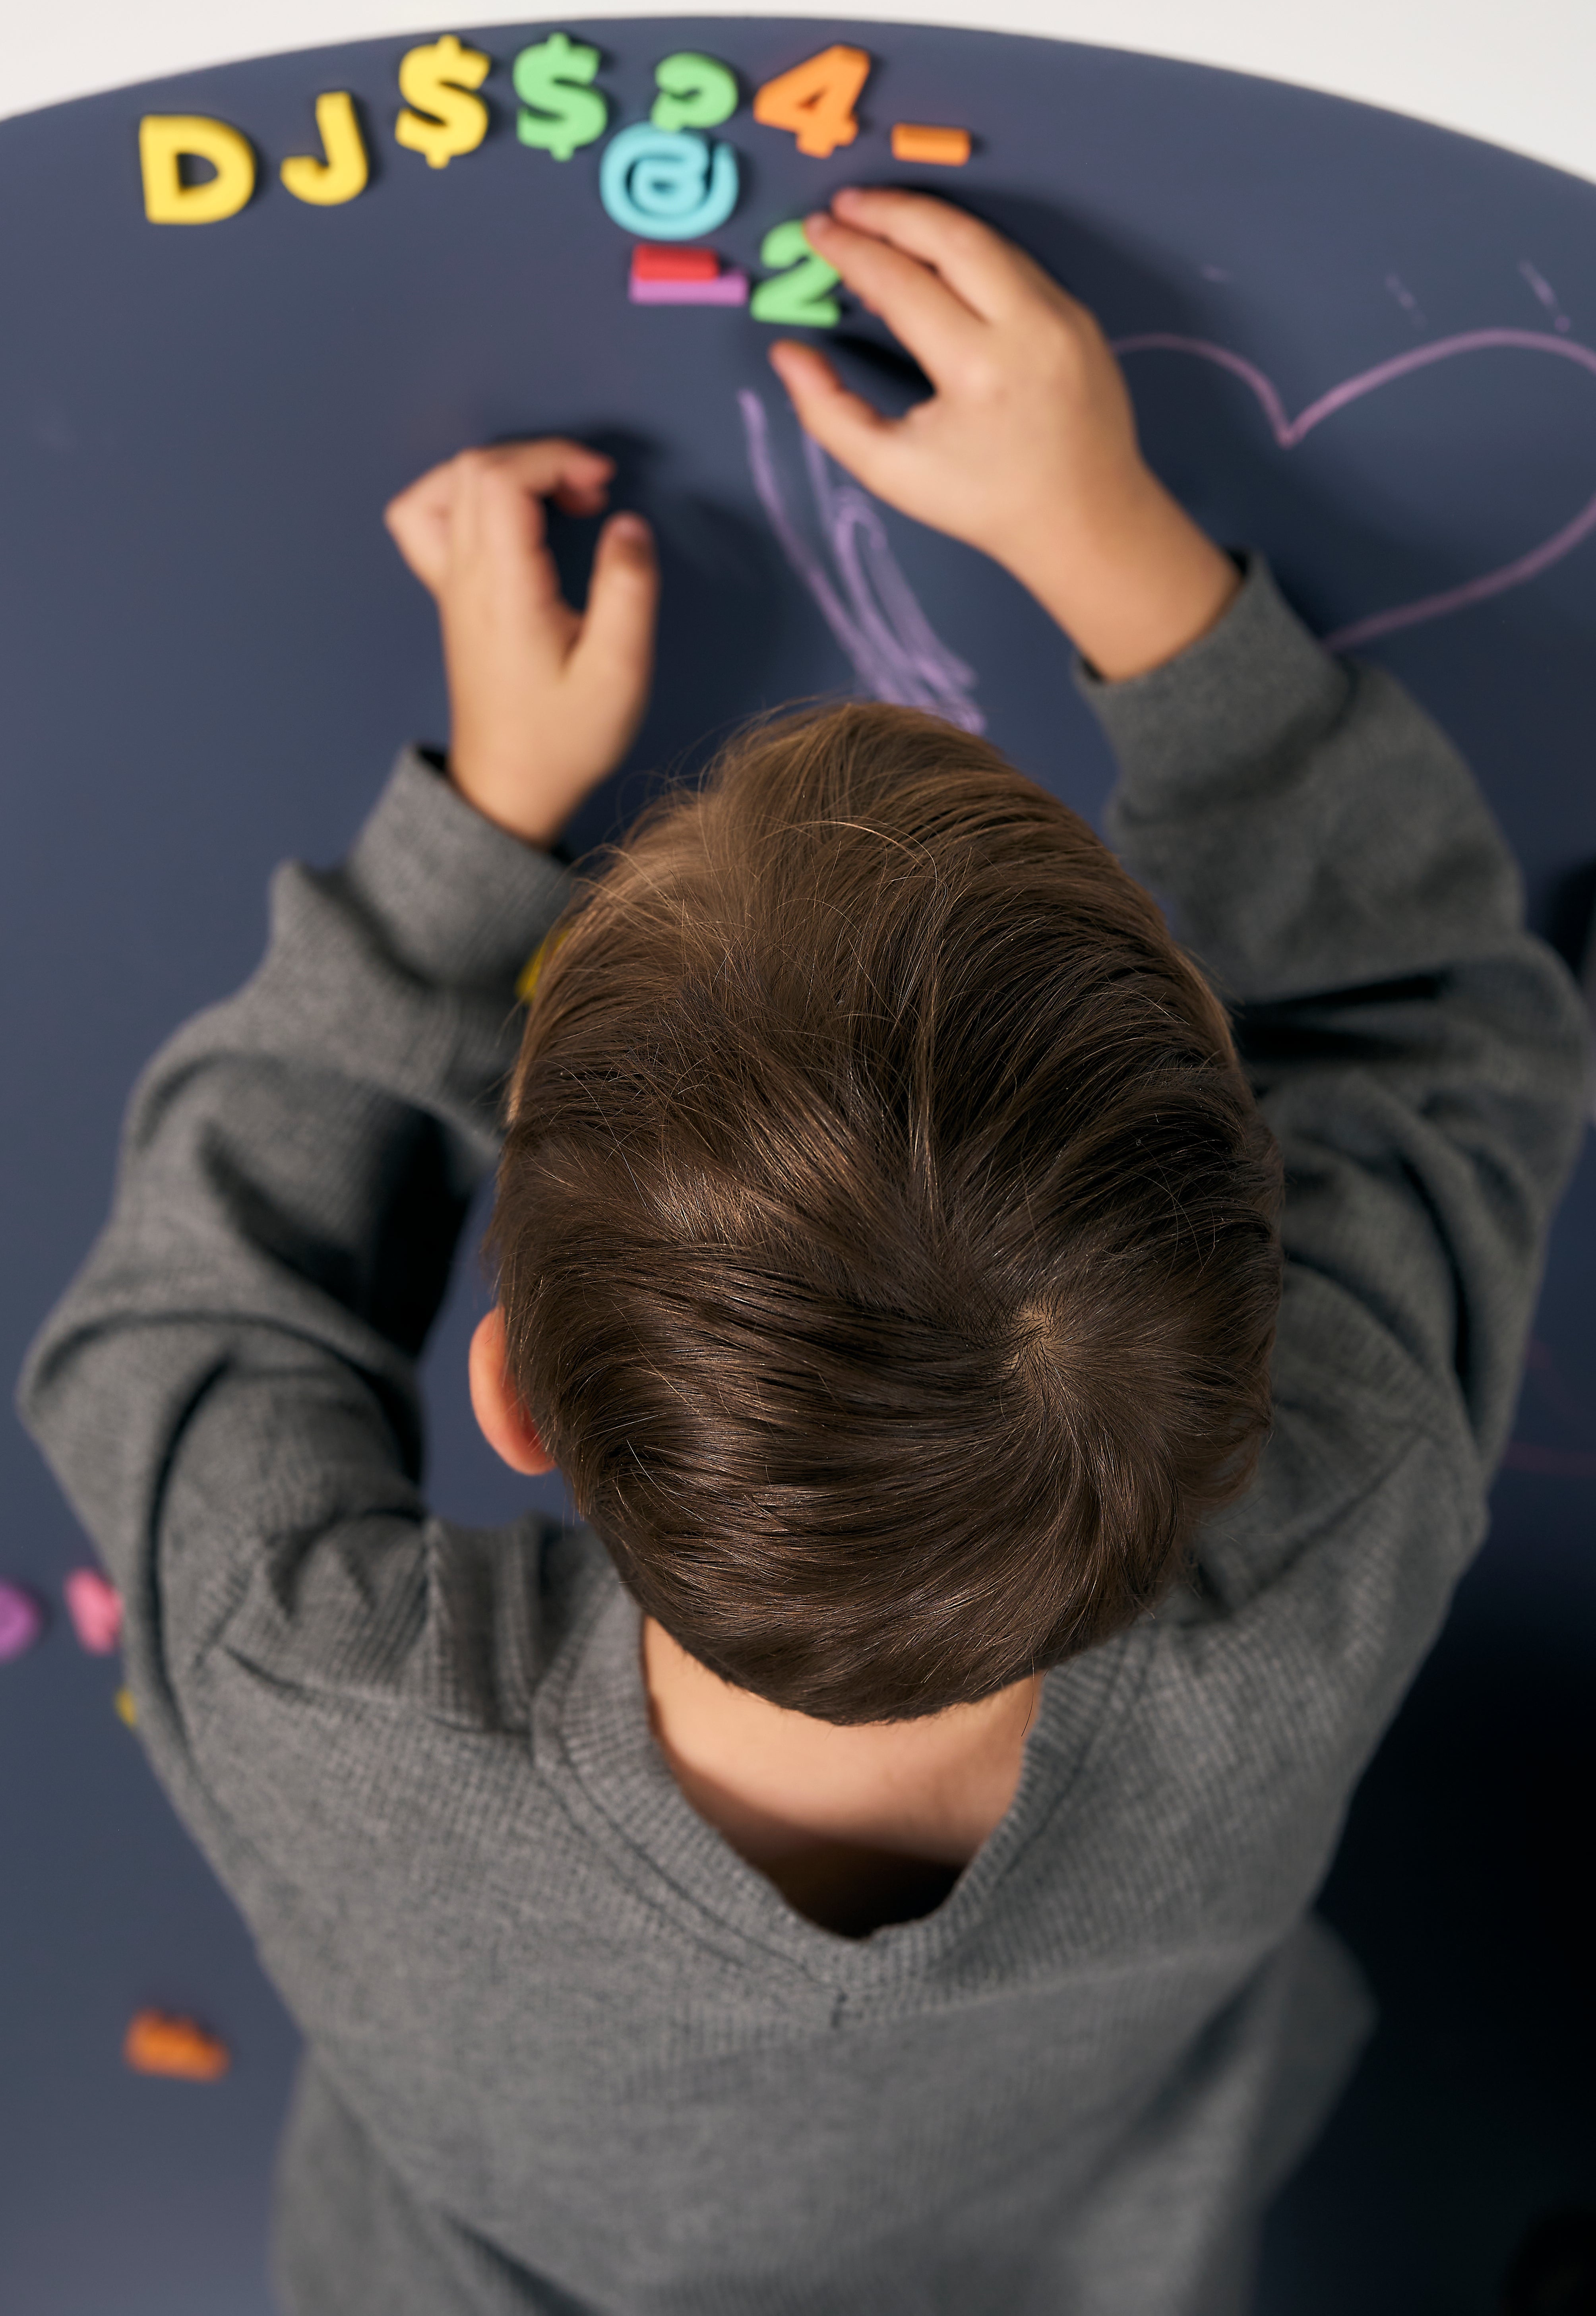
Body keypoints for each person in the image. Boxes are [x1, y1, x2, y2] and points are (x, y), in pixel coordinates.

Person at [19, 190, 1588, 2316]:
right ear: (1250, 1344)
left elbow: (188, 1329)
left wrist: (473, 844)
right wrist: (1123, 555)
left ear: (515, 1396)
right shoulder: (1330, 1552)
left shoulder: (334, 1730)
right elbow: (1433, 1020)